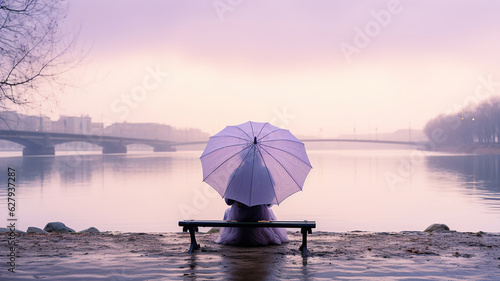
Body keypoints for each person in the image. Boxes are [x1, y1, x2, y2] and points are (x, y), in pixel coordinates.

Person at [216, 198, 289, 246]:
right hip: (258, 215)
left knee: (227, 212)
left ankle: (233, 232)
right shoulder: (264, 179)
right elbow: (269, 204)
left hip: (239, 214)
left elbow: (228, 202)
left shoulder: (235, 178)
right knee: (270, 212)